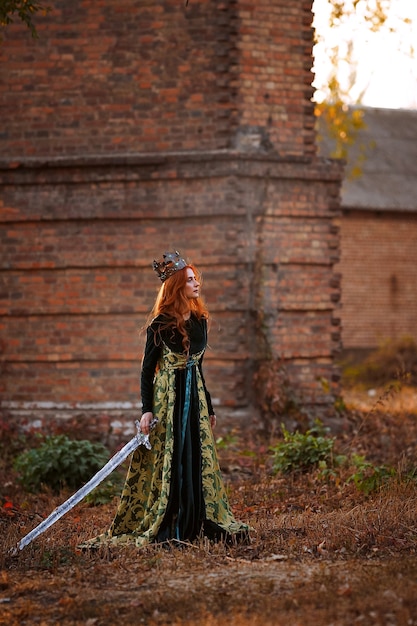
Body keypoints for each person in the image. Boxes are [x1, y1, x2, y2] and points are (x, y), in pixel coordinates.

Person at [90, 251, 250, 547]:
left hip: (195, 400)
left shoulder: (200, 322)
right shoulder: (159, 326)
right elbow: (146, 371)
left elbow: (199, 368)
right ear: (178, 287)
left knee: (195, 456)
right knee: (171, 458)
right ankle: (172, 522)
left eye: (195, 279)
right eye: (190, 280)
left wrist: (210, 407)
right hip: (168, 400)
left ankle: (196, 521)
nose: (196, 284)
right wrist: (146, 411)